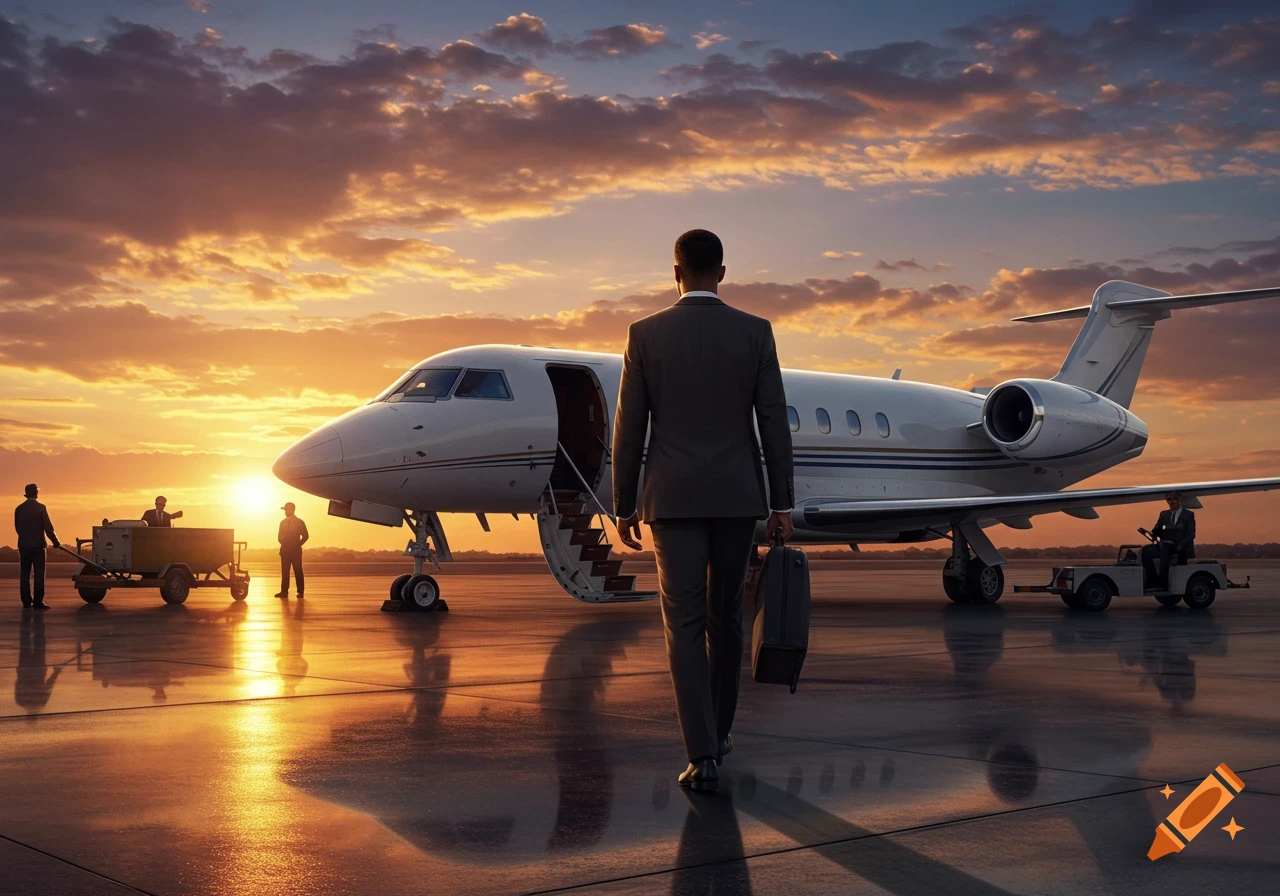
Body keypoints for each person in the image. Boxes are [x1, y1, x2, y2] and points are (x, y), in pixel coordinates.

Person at [612, 228, 794, 793]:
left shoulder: (645, 335)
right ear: (721, 272)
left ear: (675, 273)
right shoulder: (756, 333)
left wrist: (623, 504)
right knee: (726, 620)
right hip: (738, 498)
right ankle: (721, 731)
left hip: (673, 500)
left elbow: (630, 428)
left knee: (684, 626)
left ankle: (703, 755)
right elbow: (773, 423)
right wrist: (781, 501)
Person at [14, 483, 59, 610]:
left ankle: (26, 602)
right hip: (38, 546)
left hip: (23, 546)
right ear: (36, 493)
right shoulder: (41, 508)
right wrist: (55, 541)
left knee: (24, 575)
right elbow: (48, 528)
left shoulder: (19, 509)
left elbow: (17, 527)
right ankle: (38, 602)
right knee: (39, 575)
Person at [1141, 492, 1196, 588]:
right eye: (1169, 499)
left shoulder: (1188, 514)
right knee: (1145, 551)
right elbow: (1157, 530)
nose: (1172, 501)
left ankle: (1163, 582)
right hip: (1165, 545)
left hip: (1180, 547)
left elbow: (1190, 535)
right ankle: (1153, 579)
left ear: (1180, 499)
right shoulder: (1164, 514)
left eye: (1174, 498)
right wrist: (1151, 534)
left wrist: (1181, 545)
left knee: (1166, 549)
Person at [276, 502, 309, 599]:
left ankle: (300, 591)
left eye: (286, 510)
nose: (285, 512)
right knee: (285, 572)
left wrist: (297, 544)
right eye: (285, 510)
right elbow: (279, 537)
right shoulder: (282, 523)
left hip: (295, 551)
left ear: (292, 510)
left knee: (298, 571)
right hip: (285, 551)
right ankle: (284, 591)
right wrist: (284, 542)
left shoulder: (300, 522)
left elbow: (305, 536)